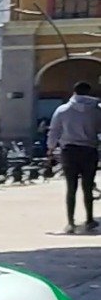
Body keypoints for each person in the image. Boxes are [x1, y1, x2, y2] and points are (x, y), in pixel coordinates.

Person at [48, 81, 101, 233]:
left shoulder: (63, 110)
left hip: (69, 151)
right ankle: (89, 219)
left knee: (71, 187)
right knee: (88, 186)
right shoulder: (96, 110)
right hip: (89, 150)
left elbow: (54, 131)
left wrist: (51, 149)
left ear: (74, 92)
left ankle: (71, 222)